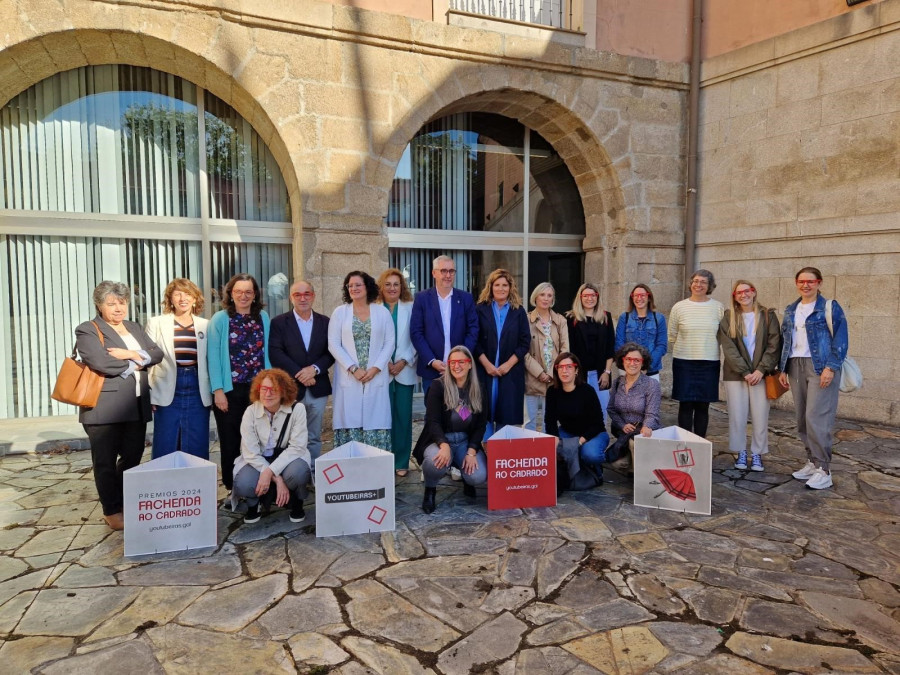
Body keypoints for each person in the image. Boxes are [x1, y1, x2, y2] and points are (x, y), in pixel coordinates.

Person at [76, 281, 163, 530]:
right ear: (99, 306)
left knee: (132, 458)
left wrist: (130, 354)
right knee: (104, 462)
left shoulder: (133, 327)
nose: (118, 308)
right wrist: (140, 359)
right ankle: (111, 510)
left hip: (135, 405)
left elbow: (157, 354)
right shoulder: (88, 330)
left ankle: (124, 501)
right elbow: (100, 362)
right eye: (111, 304)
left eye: (122, 303)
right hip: (103, 409)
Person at [778, 267, 848, 490]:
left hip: (820, 366)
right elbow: (785, 340)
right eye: (801, 281)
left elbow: (841, 338)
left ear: (819, 283)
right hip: (795, 365)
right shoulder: (791, 309)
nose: (805, 285)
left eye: (810, 281)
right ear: (796, 283)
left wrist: (831, 366)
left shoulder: (829, 307)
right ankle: (812, 461)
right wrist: (782, 368)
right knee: (802, 418)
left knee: (817, 417)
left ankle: (824, 469)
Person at [209, 274, 271, 494]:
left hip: (258, 390)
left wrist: (270, 387)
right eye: (238, 292)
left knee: (259, 437)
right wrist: (218, 391)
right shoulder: (220, 319)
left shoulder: (263, 317)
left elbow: (267, 353)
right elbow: (213, 357)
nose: (243, 296)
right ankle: (232, 485)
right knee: (230, 439)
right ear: (231, 294)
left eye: (248, 292)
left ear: (255, 295)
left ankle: (258, 484)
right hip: (230, 389)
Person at [413, 346, 487, 514]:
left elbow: (481, 424)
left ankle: (467, 480)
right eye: (452, 362)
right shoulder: (438, 386)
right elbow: (432, 421)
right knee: (435, 463)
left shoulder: (478, 388)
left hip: (464, 441)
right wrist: (444, 445)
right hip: (439, 440)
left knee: (478, 475)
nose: (456, 366)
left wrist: (471, 451)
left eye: (461, 361)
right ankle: (430, 489)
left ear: (470, 365)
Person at [268, 280, 334, 466]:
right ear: (291, 297)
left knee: (314, 435)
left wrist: (314, 370)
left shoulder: (326, 322)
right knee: (289, 435)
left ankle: (311, 471)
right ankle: (292, 471)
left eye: (307, 294)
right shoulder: (279, 323)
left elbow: (331, 351)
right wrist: (300, 373)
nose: (302, 298)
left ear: (313, 296)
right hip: (290, 389)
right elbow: (275, 352)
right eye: (298, 294)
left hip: (317, 388)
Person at [718, 280, 781, 472]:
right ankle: (740, 451)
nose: (743, 295)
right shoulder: (729, 317)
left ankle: (757, 454)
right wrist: (746, 372)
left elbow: (774, 344)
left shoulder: (768, 315)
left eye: (747, 291)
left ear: (754, 292)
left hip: (761, 374)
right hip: (736, 375)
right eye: (739, 293)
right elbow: (728, 348)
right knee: (737, 415)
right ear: (734, 297)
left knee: (760, 415)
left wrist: (761, 370)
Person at [233, 369, 311, 524]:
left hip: (289, 458)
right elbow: (250, 453)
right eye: (264, 389)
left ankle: (296, 501)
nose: (267, 394)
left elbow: (297, 447)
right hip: (258, 460)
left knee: (298, 473)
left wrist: (269, 472)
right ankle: (253, 504)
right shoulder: (250, 411)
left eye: (273, 389)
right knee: (244, 482)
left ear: (283, 391)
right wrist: (277, 479)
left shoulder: (297, 409)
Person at [145, 278, 211, 459]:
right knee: (165, 441)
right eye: (177, 294)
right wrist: (150, 392)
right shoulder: (156, 322)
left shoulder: (206, 325)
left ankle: (196, 485)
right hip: (166, 385)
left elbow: (210, 360)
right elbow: (148, 359)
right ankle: (163, 485)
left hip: (198, 386)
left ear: (195, 298)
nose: (183, 298)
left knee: (197, 440)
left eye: (188, 294)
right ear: (170, 299)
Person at [328, 271, 394, 451]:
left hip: (375, 376)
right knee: (350, 418)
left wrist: (376, 368)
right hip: (350, 377)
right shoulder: (340, 313)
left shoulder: (382, 312)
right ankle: (350, 470)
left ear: (367, 287)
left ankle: (376, 471)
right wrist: (353, 368)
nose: (353, 288)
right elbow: (333, 344)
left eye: (358, 285)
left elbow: (389, 343)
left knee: (376, 419)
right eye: (350, 286)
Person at [410, 255, 479, 396]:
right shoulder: (422, 298)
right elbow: (416, 332)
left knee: (461, 413)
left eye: (451, 271)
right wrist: (432, 360)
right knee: (433, 411)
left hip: (460, 369)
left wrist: (461, 359)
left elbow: (473, 329)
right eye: (443, 271)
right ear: (434, 273)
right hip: (432, 369)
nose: (448, 275)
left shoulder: (465, 298)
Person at [668, 269, 724, 438]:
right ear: (690, 284)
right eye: (696, 281)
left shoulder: (718, 307)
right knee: (685, 405)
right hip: (684, 362)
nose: (698, 285)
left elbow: (722, 335)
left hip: (709, 363)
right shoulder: (679, 307)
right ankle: (684, 444)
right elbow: (672, 335)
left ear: (710, 286)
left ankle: (699, 443)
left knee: (702, 406)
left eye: (703, 282)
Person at [474, 269, 530, 437]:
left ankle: (502, 455)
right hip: (485, 371)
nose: (501, 288)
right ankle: (483, 455)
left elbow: (525, 341)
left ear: (510, 287)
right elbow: (473, 340)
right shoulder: (479, 309)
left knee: (507, 418)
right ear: (490, 287)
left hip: (510, 373)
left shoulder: (518, 311)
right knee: (483, 414)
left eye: (505, 285)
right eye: (497, 285)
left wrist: (508, 364)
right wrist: (487, 364)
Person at [376, 269, 418, 476]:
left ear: (402, 287)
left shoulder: (411, 308)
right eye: (388, 284)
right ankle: (384, 459)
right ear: (381, 287)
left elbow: (418, 337)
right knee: (382, 418)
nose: (392, 288)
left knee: (403, 417)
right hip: (380, 372)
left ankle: (401, 461)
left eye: (396, 284)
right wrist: (384, 364)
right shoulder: (373, 309)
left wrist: (403, 361)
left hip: (405, 370)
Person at [545, 352, 609, 481]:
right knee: (549, 452)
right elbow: (550, 420)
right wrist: (555, 440)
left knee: (590, 454)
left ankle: (595, 467)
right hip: (568, 432)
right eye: (560, 367)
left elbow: (598, 423)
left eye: (569, 366)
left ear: (576, 370)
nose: (565, 371)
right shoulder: (552, 391)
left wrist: (579, 442)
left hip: (593, 434)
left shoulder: (587, 391)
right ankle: (577, 465)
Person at [607, 342, 662, 472]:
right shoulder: (617, 383)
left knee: (635, 442)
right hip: (625, 432)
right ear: (623, 361)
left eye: (637, 360)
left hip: (644, 431)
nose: (632, 363)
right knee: (618, 464)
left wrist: (646, 427)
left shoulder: (651, 384)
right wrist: (622, 425)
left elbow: (652, 413)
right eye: (628, 359)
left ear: (643, 363)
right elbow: (611, 409)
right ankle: (635, 468)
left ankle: (643, 477)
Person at [524, 282, 569, 432]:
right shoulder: (526, 319)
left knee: (550, 420)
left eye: (549, 295)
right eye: (542, 294)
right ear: (535, 297)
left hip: (554, 377)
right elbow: (522, 350)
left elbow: (565, 350)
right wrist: (539, 373)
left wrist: (550, 373)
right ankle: (532, 453)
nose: (546, 298)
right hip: (533, 378)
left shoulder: (560, 321)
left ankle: (549, 454)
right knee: (532, 421)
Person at [566, 282, 615, 418]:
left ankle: (600, 438)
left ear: (597, 297)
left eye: (593, 295)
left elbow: (610, 347)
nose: (590, 298)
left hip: (601, 373)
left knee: (602, 411)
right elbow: (568, 349)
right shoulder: (571, 318)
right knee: (580, 411)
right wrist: (573, 373)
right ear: (580, 297)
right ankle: (582, 439)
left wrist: (607, 372)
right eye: (586, 295)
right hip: (579, 374)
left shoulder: (606, 317)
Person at [615, 283, 667, 381]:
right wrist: (630, 366)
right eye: (636, 295)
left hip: (651, 372)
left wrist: (646, 366)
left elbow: (661, 346)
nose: (639, 298)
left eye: (643, 295)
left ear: (649, 297)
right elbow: (619, 344)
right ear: (632, 298)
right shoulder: (624, 318)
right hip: (628, 371)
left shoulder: (659, 318)